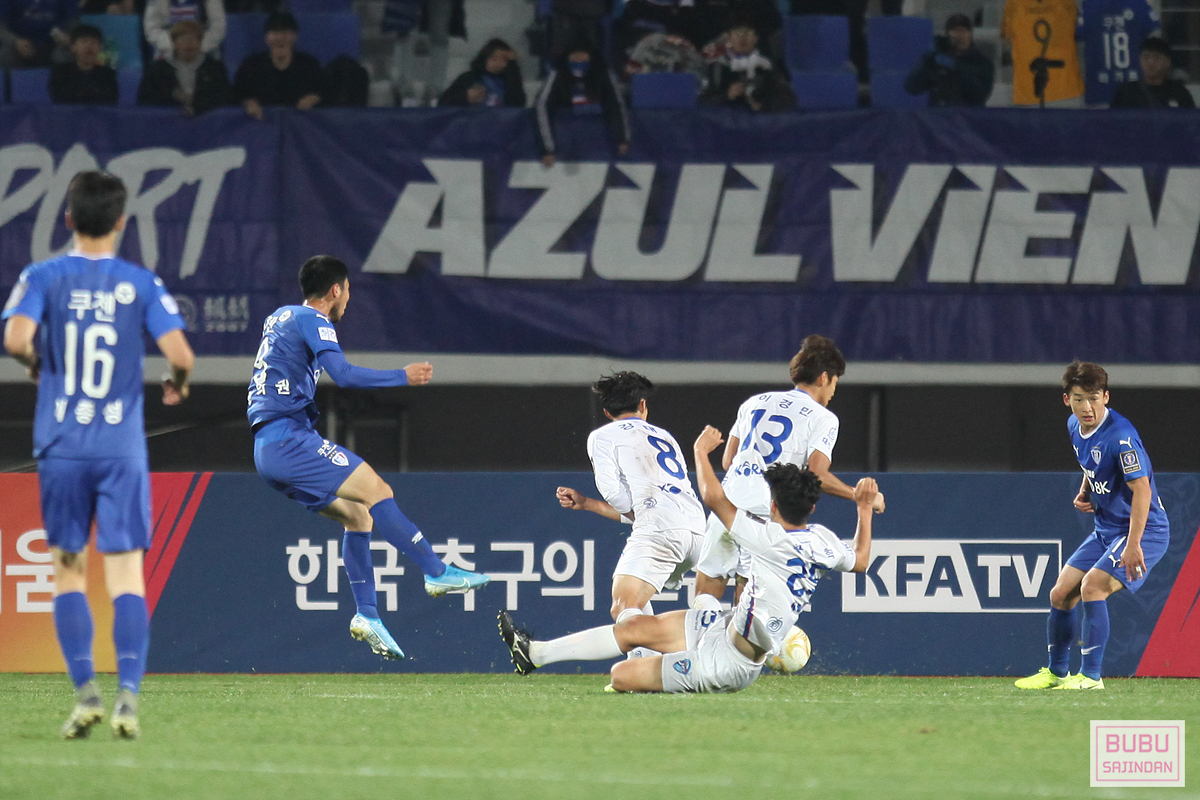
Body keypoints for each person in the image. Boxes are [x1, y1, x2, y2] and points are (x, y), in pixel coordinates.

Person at [2, 171, 195, 738]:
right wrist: (178, 382)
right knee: (126, 574)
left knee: (68, 570)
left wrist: (36, 365)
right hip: (119, 448)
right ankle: (127, 697)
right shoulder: (140, 283)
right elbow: (181, 354)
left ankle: (85, 691)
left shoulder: (42, 275)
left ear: (68, 219)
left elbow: (15, 339)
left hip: (62, 445)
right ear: (121, 222)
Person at [500, 427, 879, 693]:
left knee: (621, 676)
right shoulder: (822, 541)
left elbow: (714, 497)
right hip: (723, 627)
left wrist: (700, 451)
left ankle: (652, 670)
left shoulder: (766, 537)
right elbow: (861, 560)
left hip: (727, 665)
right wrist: (863, 508)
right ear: (812, 508)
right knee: (634, 627)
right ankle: (535, 653)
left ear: (774, 506)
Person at [247, 255, 490, 660]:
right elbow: (342, 375)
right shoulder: (314, 319)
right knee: (377, 490)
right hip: (289, 439)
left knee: (359, 516)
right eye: (347, 292)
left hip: (267, 448)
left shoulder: (279, 317)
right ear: (335, 290)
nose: (348, 300)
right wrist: (402, 376)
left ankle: (368, 615)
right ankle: (436, 571)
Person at [693, 334, 884, 607]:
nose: (833, 392)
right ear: (824, 378)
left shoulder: (754, 402)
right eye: (835, 383)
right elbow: (817, 476)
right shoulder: (823, 418)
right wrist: (860, 496)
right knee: (746, 607)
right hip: (764, 512)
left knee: (703, 603)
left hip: (727, 503)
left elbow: (728, 461)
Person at [1015, 361, 1171, 690]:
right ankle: (1057, 673)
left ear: (1106, 397)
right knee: (1061, 594)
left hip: (1143, 531)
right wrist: (1086, 488)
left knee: (1092, 587)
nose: (1087, 407)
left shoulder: (1122, 437)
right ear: (1067, 400)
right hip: (1106, 529)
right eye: (1079, 399)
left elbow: (1142, 490)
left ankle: (1091, 677)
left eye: (1094, 398)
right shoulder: (1074, 425)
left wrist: (1134, 545)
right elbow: (1092, 463)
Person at [554, 372, 705, 633]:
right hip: (698, 529)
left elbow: (612, 491)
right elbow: (649, 505)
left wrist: (646, 514)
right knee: (636, 603)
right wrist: (588, 503)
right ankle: (659, 652)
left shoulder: (602, 435)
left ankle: (666, 649)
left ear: (607, 412)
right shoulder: (665, 436)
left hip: (661, 530)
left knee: (624, 607)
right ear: (643, 405)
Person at [535, 43, 630, 167]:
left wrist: (622, 138)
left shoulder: (604, 74)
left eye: (582, 54)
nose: (578, 58)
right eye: (574, 55)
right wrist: (548, 149)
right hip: (565, 140)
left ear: (590, 55)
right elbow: (542, 106)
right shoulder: (556, 75)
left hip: (600, 144)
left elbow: (616, 105)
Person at [233, 11, 322, 120]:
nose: (280, 38)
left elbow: (324, 92)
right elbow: (237, 93)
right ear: (266, 37)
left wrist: (314, 98)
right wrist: (248, 102)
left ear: (295, 36)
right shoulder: (251, 66)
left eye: (285, 33)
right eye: (275, 33)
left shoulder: (309, 65)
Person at [137, 20, 233, 115]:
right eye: (183, 39)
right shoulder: (157, 69)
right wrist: (173, 96)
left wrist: (197, 102)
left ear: (200, 43)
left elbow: (225, 98)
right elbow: (145, 99)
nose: (188, 43)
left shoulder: (214, 68)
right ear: (174, 43)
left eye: (193, 39)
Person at [1002, 0, 1084, 106]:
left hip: (1028, 93)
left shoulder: (1014, 3)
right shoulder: (1065, 2)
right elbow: (1077, 27)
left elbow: (1006, 36)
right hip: (1067, 89)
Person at [1077, 0, 1158, 106]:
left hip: (1100, 89)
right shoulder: (1139, 3)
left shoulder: (1089, 5)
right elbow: (1154, 34)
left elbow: (1078, 35)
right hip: (1134, 88)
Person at [904, 14, 995, 106]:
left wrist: (957, 68)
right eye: (955, 31)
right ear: (948, 35)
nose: (960, 36)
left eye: (964, 31)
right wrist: (928, 60)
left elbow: (980, 95)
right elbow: (911, 87)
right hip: (940, 113)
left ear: (970, 35)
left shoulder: (982, 63)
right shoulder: (937, 60)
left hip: (968, 114)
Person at [701, 18, 788, 111]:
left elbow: (787, 99)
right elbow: (703, 103)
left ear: (756, 38)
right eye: (738, 33)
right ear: (729, 37)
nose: (743, 37)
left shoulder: (767, 66)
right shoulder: (718, 67)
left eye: (748, 33)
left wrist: (763, 104)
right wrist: (727, 96)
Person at [1110, 37, 1195, 109]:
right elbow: (1112, 120)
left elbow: (1191, 120)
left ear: (1167, 62)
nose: (1151, 62)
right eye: (1146, 57)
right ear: (1140, 60)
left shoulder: (1179, 92)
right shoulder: (1127, 92)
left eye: (1156, 57)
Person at [438, 38, 526, 107]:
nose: (498, 63)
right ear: (485, 58)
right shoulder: (468, 78)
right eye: (494, 58)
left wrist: (513, 69)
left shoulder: (510, 81)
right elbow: (443, 103)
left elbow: (518, 104)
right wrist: (465, 97)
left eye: (504, 60)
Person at [48, 24, 118, 105]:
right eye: (84, 41)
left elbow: (110, 99)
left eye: (94, 42)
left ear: (100, 48)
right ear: (73, 47)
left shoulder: (108, 74)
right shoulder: (60, 72)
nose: (89, 46)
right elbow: (59, 97)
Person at [0, 0, 74, 69]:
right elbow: (1, 28)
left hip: (53, 43)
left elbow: (73, 23)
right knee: (5, 55)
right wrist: (15, 41)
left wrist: (68, 38)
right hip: (19, 42)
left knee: (63, 55)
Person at [142, 0, 225, 61]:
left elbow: (218, 27)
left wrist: (198, 46)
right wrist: (173, 45)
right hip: (168, 54)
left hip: (204, 53)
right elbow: (151, 28)